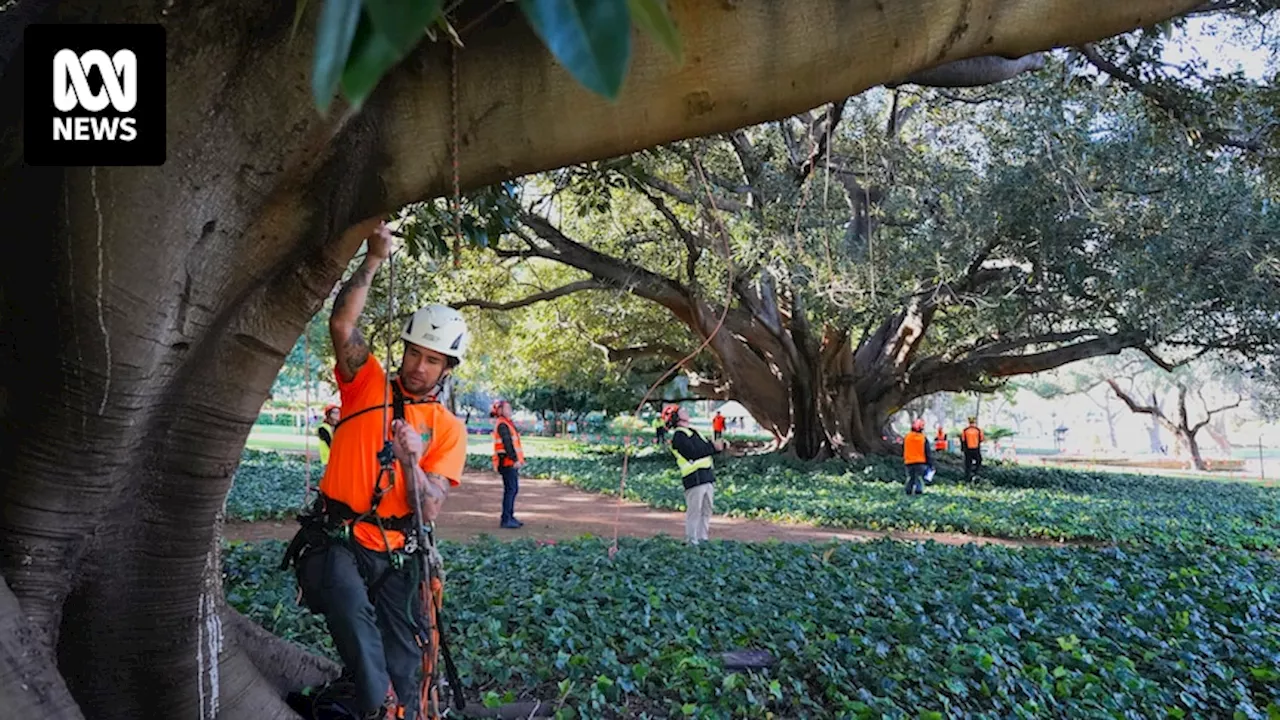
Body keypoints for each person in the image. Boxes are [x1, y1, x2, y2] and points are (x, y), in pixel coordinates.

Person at [285, 222, 469, 720]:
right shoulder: (366, 385)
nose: (418, 367)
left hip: (398, 553)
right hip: (337, 539)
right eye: (413, 353)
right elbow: (342, 326)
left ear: (447, 369)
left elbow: (428, 506)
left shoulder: (448, 429)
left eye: (433, 361)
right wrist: (372, 260)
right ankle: (374, 705)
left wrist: (411, 458)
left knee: (406, 665)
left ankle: (374, 706)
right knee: (350, 611)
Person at [662, 404, 723, 545]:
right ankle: (692, 541)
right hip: (694, 478)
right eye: (682, 411)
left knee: (706, 511)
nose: (686, 411)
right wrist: (713, 447)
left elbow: (706, 447)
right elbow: (693, 453)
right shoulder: (679, 436)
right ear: (676, 418)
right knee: (695, 512)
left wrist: (718, 446)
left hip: (707, 476)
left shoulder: (694, 432)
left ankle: (703, 538)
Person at [490, 399, 525, 529]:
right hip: (507, 462)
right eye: (507, 408)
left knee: (512, 490)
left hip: (508, 462)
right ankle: (506, 518)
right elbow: (507, 444)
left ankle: (509, 516)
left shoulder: (506, 423)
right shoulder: (503, 425)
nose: (510, 411)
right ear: (499, 411)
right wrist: (515, 459)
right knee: (511, 490)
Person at [903, 418, 934, 495]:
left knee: (910, 477)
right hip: (920, 462)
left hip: (909, 462)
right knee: (919, 478)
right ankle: (918, 491)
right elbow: (927, 452)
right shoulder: (923, 438)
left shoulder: (907, 437)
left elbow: (903, 448)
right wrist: (930, 464)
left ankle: (908, 491)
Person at [961, 416, 985, 480]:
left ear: (969, 422)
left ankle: (967, 477)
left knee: (968, 464)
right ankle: (976, 472)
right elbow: (981, 439)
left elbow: (963, 440)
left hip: (968, 449)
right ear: (974, 422)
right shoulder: (978, 430)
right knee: (979, 461)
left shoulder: (965, 430)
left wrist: (963, 449)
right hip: (976, 449)